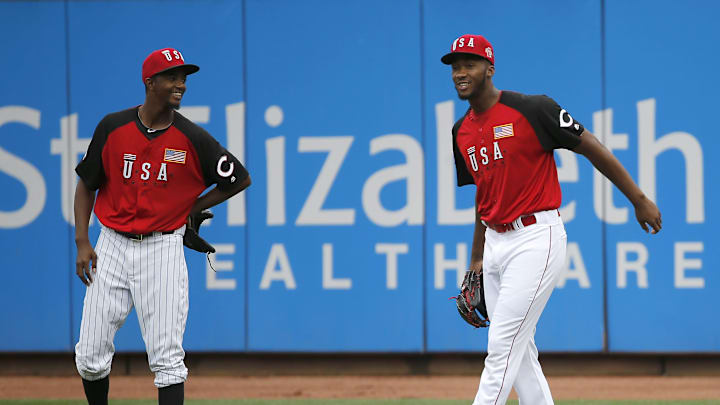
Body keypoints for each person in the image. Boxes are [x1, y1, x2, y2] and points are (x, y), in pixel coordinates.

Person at [441, 34, 661, 405]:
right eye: (455, 65)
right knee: (520, 354)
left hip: (535, 239)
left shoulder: (532, 109)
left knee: (501, 348)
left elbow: (591, 147)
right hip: (494, 245)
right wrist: (476, 258)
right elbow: (484, 194)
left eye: (470, 63)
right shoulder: (460, 131)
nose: (461, 71)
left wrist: (637, 199)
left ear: (489, 69)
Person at [73, 47, 250, 405]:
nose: (180, 84)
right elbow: (87, 183)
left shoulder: (192, 137)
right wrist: (81, 240)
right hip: (112, 245)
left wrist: (193, 208)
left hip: (163, 248)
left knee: (168, 361)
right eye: (172, 77)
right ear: (149, 82)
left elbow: (238, 178)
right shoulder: (113, 127)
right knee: (89, 358)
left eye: (183, 78)